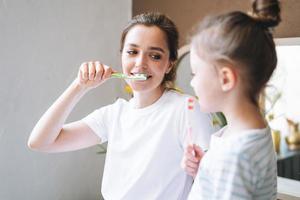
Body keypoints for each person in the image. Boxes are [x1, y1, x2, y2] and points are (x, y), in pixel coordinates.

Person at [28, 12, 215, 199]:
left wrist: (199, 168)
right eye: (132, 52)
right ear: (122, 57)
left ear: (169, 65)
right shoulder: (113, 115)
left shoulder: (186, 109)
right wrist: (79, 86)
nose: (140, 63)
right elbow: (40, 142)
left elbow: (214, 180)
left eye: (155, 56)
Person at [187, 0, 280, 199]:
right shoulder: (249, 132)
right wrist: (206, 171)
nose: (193, 83)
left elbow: (233, 169)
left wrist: (220, 170)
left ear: (226, 79)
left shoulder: (234, 157)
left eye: (195, 73)